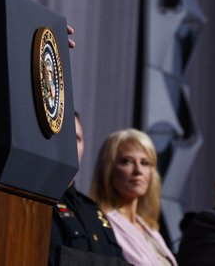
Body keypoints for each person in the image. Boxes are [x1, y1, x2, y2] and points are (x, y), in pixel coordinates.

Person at [90, 128, 177, 266]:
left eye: (145, 163)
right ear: (108, 169)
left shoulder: (149, 228)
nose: (138, 171)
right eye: (127, 161)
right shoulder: (101, 223)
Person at [49, 112, 125, 265]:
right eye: (64, 135)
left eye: (77, 139)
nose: (71, 144)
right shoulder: (37, 204)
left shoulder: (93, 211)